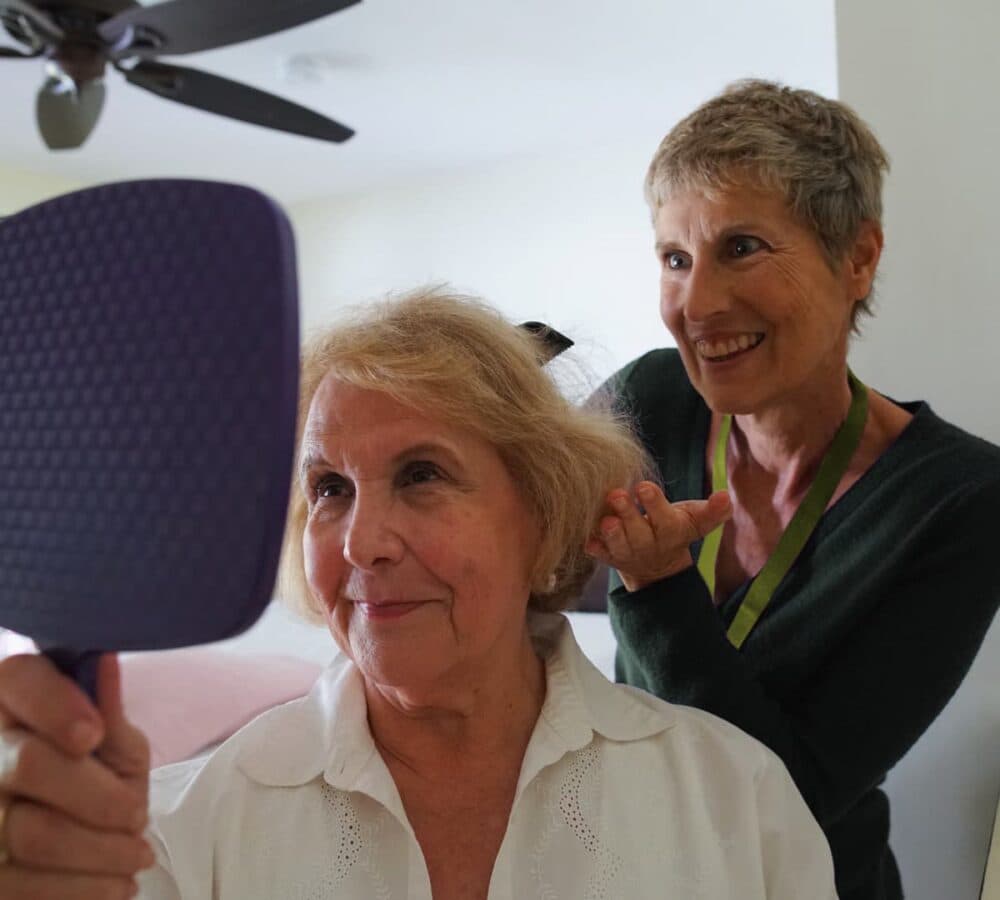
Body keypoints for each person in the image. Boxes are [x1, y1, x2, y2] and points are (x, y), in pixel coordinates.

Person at [0, 289, 835, 899]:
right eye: (328, 488)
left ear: (541, 518)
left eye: (423, 474)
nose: (363, 542)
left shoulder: (733, 798)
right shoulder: (171, 837)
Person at [585, 79, 1000, 900]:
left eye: (741, 247)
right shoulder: (648, 398)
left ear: (859, 257)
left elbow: (791, 792)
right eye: (675, 258)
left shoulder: (962, 501)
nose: (695, 305)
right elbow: (518, 555)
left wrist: (661, 588)